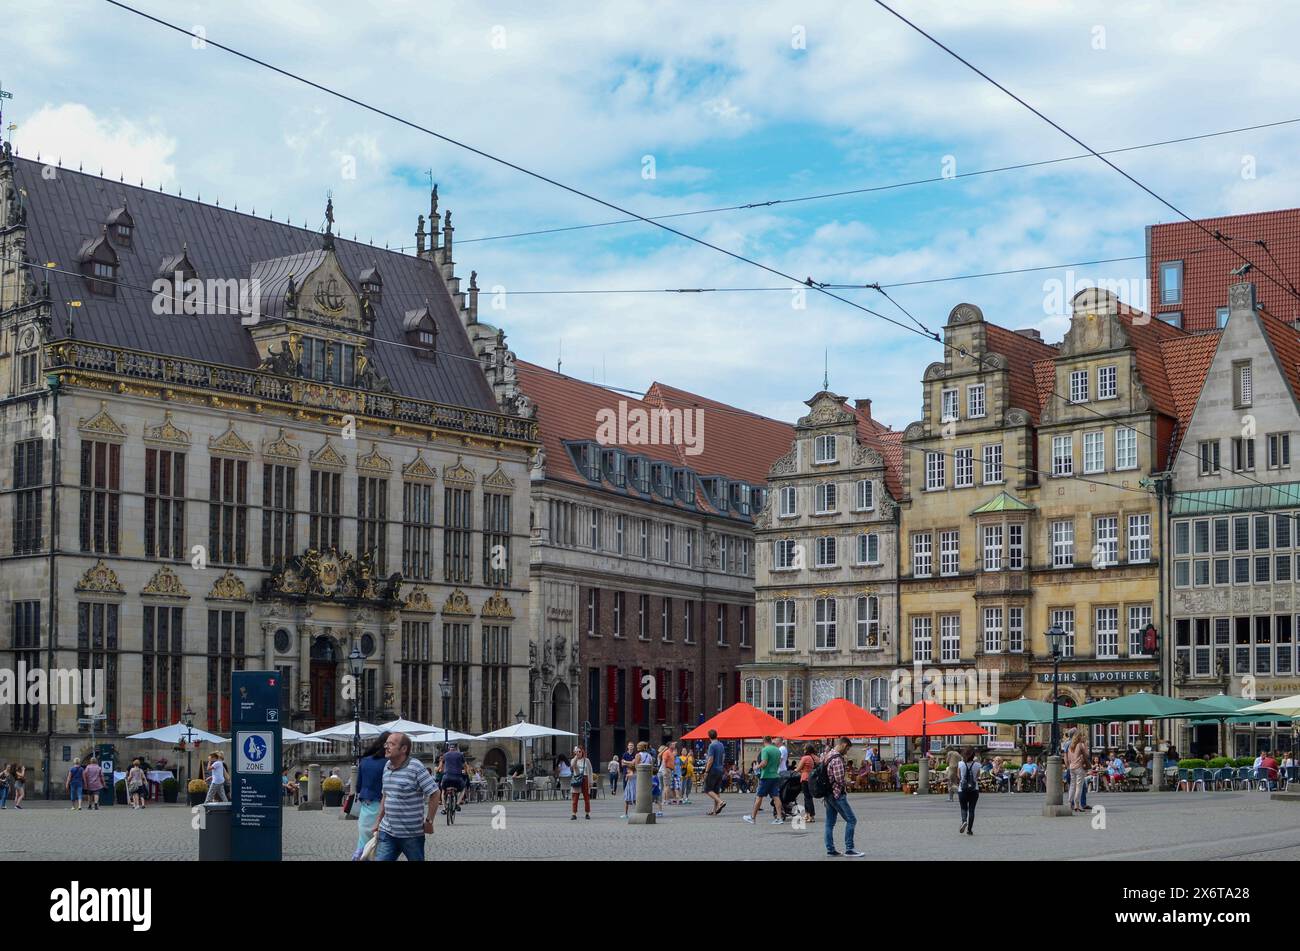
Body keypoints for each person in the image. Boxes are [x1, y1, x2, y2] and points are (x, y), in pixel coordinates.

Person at [375, 732, 439, 861]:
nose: (386, 747)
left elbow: (435, 793)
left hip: (412, 835)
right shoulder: (386, 767)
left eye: (391, 744)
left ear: (403, 749)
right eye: (386, 743)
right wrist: (378, 822)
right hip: (387, 832)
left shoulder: (415, 767)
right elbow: (385, 796)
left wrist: (429, 821)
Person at [820, 737, 863, 857]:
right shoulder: (837, 758)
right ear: (844, 745)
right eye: (847, 748)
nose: (847, 751)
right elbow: (839, 779)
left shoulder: (827, 755)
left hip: (828, 794)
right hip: (837, 794)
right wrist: (850, 783)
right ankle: (849, 848)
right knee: (851, 820)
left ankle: (830, 849)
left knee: (829, 823)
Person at [352, 731, 390, 860]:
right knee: (381, 842)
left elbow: (358, 785)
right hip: (383, 804)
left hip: (366, 803)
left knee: (364, 839)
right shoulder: (388, 763)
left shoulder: (365, 760)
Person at [745, 736, 784, 825]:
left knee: (759, 796)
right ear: (771, 741)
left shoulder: (765, 750)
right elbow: (779, 762)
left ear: (764, 741)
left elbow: (764, 763)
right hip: (775, 775)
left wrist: (756, 767)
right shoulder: (777, 750)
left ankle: (753, 817)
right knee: (776, 797)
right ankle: (779, 817)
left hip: (766, 776)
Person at [703, 729, 727, 816]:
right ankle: (715, 810)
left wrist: (706, 771)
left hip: (713, 770)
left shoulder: (712, 746)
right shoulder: (721, 745)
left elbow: (710, 759)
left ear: (709, 736)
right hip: (720, 769)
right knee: (716, 790)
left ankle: (720, 802)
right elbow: (723, 756)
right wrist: (721, 766)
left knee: (707, 789)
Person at [956, 746, 979, 835]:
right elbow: (977, 777)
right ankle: (969, 830)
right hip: (974, 789)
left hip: (962, 789)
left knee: (963, 807)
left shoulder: (960, 764)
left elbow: (959, 776)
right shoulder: (977, 765)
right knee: (972, 809)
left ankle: (964, 821)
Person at [440, 742, 468, 812]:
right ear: (456, 748)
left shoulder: (445, 755)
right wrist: (465, 771)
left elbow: (441, 767)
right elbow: (465, 765)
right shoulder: (460, 754)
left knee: (443, 790)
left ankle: (444, 808)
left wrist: (442, 771)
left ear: (449, 748)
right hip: (457, 778)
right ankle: (457, 804)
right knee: (463, 789)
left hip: (446, 777)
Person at [1066, 731, 1088, 813]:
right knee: (1079, 787)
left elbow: (1068, 759)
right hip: (1079, 768)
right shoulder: (1080, 745)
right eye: (1083, 736)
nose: (1084, 738)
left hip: (1071, 767)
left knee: (1072, 785)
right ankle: (1077, 804)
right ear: (1080, 737)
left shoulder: (1070, 746)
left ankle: (1069, 803)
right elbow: (1087, 755)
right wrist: (1085, 745)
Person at [569, 745, 593, 820]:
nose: (579, 753)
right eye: (577, 751)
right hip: (577, 779)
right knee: (575, 797)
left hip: (585, 778)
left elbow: (590, 771)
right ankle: (574, 814)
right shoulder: (573, 760)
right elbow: (572, 766)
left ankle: (587, 813)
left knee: (586, 797)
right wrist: (576, 757)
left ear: (582, 752)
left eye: (580, 751)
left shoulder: (587, 760)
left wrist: (591, 781)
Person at [796, 744, 817, 822]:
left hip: (804, 778)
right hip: (810, 778)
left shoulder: (805, 758)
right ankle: (808, 814)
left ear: (807, 750)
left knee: (807, 798)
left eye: (804, 749)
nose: (803, 750)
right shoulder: (811, 758)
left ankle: (811, 815)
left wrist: (795, 770)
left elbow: (798, 768)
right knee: (808, 797)